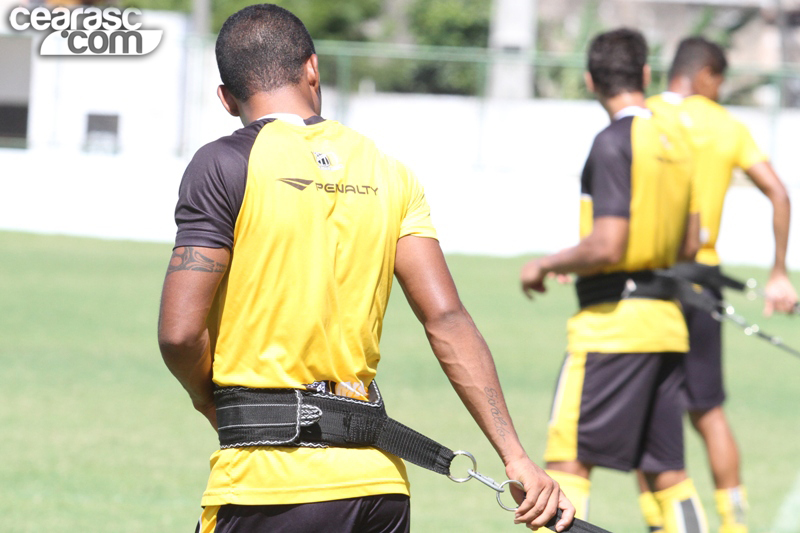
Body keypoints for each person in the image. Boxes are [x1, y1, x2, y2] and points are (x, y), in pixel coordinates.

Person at [157, 4, 574, 533]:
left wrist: (207, 397)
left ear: (224, 97)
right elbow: (446, 319)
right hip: (378, 487)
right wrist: (514, 455)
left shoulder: (221, 165)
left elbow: (179, 334)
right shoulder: (390, 172)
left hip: (270, 487)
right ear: (313, 67)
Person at [520, 28, 707, 533]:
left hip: (613, 327)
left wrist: (546, 263)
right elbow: (692, 241)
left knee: (567, 464)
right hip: (667, 324)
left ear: (589, 80)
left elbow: (606, 245)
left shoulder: (611, 142)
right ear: (645, 75)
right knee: (668, 472)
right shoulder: (677, 141)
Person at [640, 36, 797, 533]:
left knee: (644, 406)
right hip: (703, 284)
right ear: (707, 74)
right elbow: (778, 192)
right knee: (708, 410)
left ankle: (661, 522)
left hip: (648, 281)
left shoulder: (645, 117)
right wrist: (778, 273)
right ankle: (735, 524)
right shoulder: (727, 126)